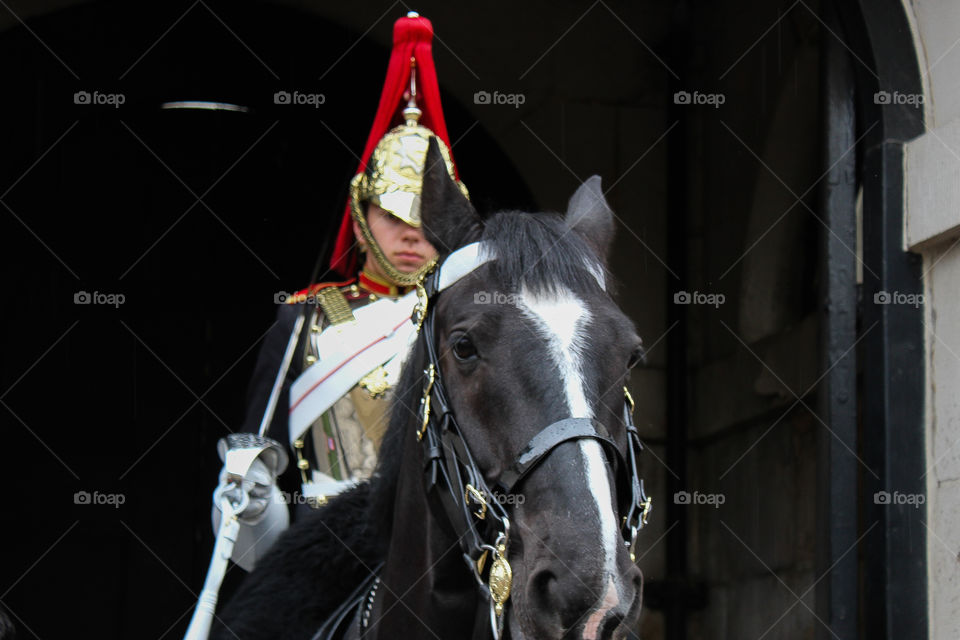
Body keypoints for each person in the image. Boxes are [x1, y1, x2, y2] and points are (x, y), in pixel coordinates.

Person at [217, 10, 469, 572]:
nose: (411, 232)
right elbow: (257, 494)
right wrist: (250, 504)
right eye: (393, 214)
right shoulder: (305, 322)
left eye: (428, 216)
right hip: (326, 555)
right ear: (359, 219)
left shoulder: (471, 325)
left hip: (445, 557)